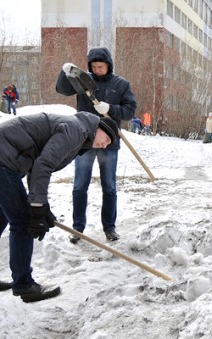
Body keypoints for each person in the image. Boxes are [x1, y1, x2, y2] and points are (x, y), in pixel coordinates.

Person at [0, 111, 119, 302]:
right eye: (106, 139)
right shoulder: (76, 130)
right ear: (98, 128)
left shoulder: (77, 132)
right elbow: (43, 165)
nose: (104, 145)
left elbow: (35, 166)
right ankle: (24, 285)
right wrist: (37, 207)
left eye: (108, 144)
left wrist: (40, 206)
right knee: (23, 221)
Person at [55, 47, 137, 243]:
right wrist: (64, 72)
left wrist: (110, 108)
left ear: (109, 65)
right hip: (85, 141)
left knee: (109, 186)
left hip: (109, 143)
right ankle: (78, 228)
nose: (97, 70)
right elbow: (62, 89)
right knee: (79, 186)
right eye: (94, 67)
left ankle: (109, 227)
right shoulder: (83, 82)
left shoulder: (121, 84)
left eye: (101, 66)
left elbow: (129, 111)